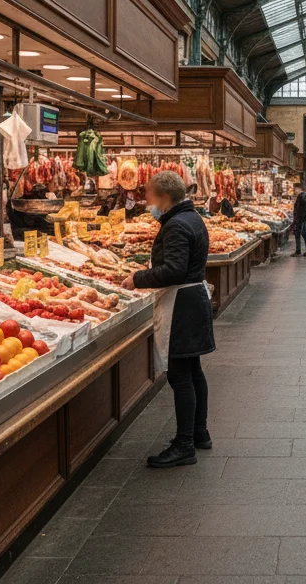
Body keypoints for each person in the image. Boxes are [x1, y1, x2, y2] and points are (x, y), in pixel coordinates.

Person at [121, 171, 215, 468]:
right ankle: (199, 433)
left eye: (149, 195)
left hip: (182, 305)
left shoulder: (176, 225)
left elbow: (174, 269)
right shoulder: (192, 217)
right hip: (193, 300)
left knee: (180, 375)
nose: (147, 201)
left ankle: (184, 445)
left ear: (163, 196)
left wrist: (137, 279)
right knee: (193, 370)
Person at [292, 187, 306, 257]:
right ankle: (300, 251)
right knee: (300, 234)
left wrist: (302, 217)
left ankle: (305, 251)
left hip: (302, 219)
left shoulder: (303, 196)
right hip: (301, 218)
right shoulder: (304, 196)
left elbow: (305, 209)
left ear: (298, 189)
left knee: (304, 234)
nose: (294, 191)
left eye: (295, 190)